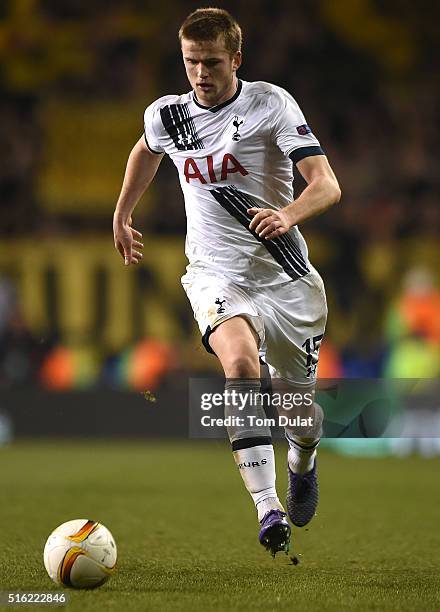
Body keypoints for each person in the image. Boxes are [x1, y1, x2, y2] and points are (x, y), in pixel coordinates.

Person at [113, 7, 341, 557]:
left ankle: (303, 460)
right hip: (215, 273)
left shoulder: (270, 105)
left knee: (298, 414)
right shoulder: (168, 115)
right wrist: (121, 214)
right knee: (238, 363)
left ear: (236, 59)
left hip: (284, 276)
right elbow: (146, 149)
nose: (200, 74)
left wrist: (287, 214)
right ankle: (268, 509)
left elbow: (327, 186)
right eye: (191, 62)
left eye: (212, 62)